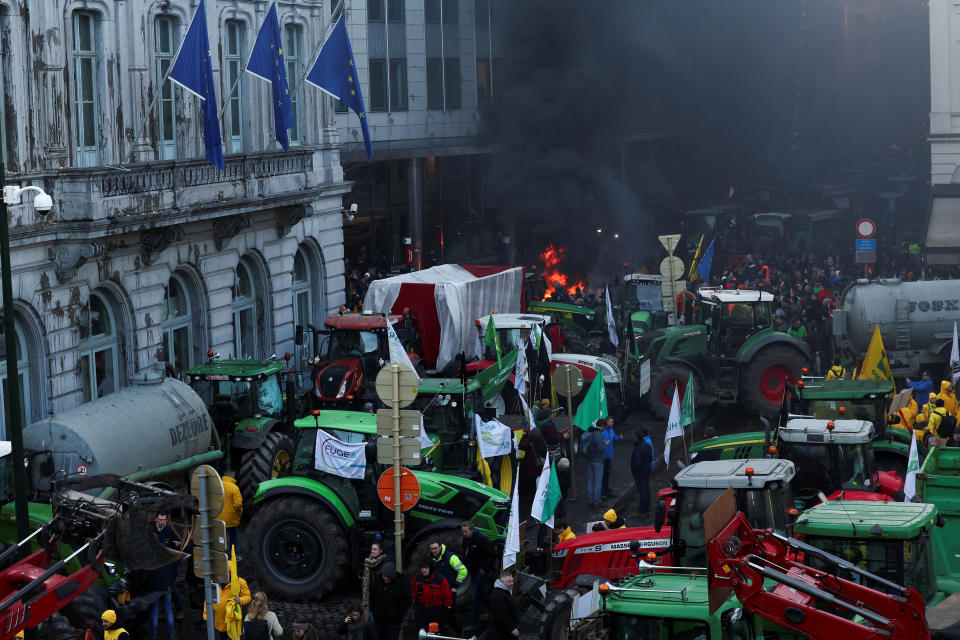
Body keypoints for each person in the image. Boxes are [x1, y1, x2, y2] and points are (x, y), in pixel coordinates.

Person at [146, 513, 180, 640]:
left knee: (154, 611)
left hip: (155, 587)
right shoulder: (168, 560)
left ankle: (153, 636)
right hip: (167, 585)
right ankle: (172, 635)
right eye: (160, 520)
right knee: (168, 610)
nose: (163, 522)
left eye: (164, 520)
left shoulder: (152, 560)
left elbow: (147, 573)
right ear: (156, 520)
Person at [461, 521, 494, 627]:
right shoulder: (466, 538)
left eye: (466, 531)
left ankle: (473, 623)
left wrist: (484, 568)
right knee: (482, 593)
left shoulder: (481, 539)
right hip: (473, 570)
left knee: (475, 597)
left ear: (472, 530)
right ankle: (493, 611)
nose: (464, 534)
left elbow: (492, 554)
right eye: (463, 531)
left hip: (480, 572)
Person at [411, 560, 453, 634]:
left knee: (436, 633)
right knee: (422, 633)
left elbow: (447, 596)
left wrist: (446, 610)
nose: (423, 570)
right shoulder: (416, 578)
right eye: (422, 568)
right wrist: (416, 606)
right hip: (422, 611)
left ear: (431, 568)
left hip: (436, 612)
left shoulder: (440, 579)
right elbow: (414, 593)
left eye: (426, 568)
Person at [370, 562, 409, 640]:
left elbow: (406, 600)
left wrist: (399, 615)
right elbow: (372, 598)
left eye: (388, 576)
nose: (386, 578)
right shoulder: (378, 581)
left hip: (394, 622)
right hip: (379, 621)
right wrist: (374, 612)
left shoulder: (401, 582)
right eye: (385, 576)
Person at [209, 573, 251, 640]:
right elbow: (208, 598)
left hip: (233, 621)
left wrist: (240, 600)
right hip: (220, 622)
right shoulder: (213, 581)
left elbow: (248, 597)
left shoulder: (240, 581)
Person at [216, 470, 243, 554]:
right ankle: (233, 555)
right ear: (232, 477)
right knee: (233, 537)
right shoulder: (234, 488)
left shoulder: (217, 486)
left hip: (218, 517)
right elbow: (237, 505)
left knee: (221, 538)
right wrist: (240, 513)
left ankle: (221, 555)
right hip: (231, 519)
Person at [630, 429, 655, 517]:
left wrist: (635, 472)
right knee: (646, 489)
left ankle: (643, 509)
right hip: (646, 470)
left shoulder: (638, 447)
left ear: (636, 437)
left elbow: (637, 462)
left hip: (640, 473)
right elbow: (650, 458)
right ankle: (646, 506)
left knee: (642, 491)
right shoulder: (647, 445)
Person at [581, 420, 606, 506]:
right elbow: (600, 448)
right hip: (598, 460)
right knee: (598, 481)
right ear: (602, 426)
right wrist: (605, 444)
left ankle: (590, 499)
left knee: (591, 480)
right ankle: (597, 501)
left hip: (589, 459)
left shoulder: (589, 432)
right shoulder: (597, 434)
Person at [489, 572, 519, 639]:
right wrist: (512, 629)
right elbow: (502, 614)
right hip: (504, 632)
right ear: (502, 582)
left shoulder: (504, 590)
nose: (512, 583)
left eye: (512, 581)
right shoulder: (499, 596)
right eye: (509, 581)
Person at [361, 541, 388, 613]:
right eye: (372, 549)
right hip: (371, 594)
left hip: (381, 594)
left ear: (381, 551)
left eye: (375, 549)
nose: (372, 551)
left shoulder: (385, 562)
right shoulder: (368, 561)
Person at [601, 416, 621, 499]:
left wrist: (619, 437)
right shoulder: (602, 432)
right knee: (603, 475)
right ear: (606, 422)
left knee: (607, 475)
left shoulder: (611, 430)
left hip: (609, 456)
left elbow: (614, 438)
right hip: (603, 457)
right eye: (610, 422)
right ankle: (603, 493)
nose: (612, 423)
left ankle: (606, 491)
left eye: (612, 422)